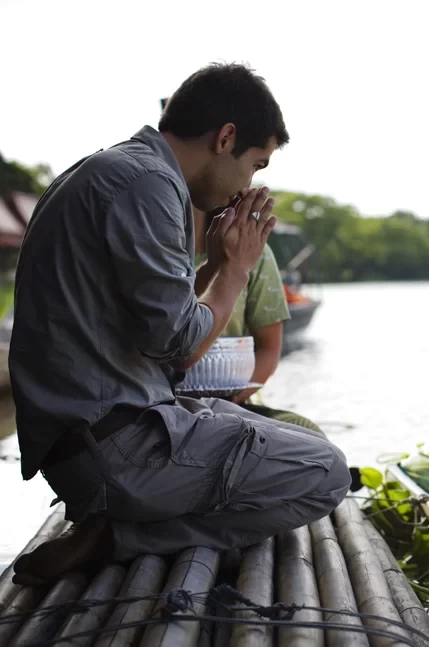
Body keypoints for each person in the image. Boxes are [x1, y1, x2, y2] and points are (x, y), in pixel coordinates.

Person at [9, 63, 351, 586]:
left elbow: (148, 321)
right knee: (324, 473)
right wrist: (237, 270)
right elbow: (177, 346)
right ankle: (121, 538)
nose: (248, 185)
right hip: (114, 453)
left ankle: (113, 529)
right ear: (226, 138)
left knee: (291, 436)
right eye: (255, 166)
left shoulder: (112, 169)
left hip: (95, 441)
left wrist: (214, 263)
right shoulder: (148, 184)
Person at [192, 206, 322, 432]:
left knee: (308, 433)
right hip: (154, 400)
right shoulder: (153, 245)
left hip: (228, 402)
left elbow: (269, 349)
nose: (261, 168)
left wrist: (229, 401)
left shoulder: (254, 253)